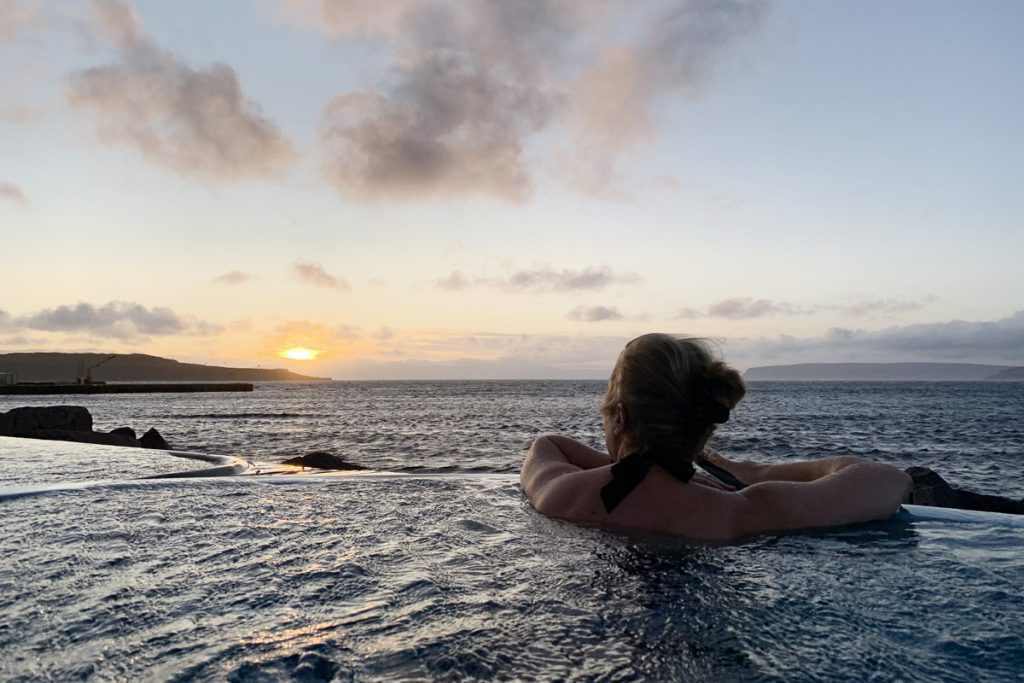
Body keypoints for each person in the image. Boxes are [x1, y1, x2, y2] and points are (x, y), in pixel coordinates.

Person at [520, 333, 914, 541]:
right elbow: (888, 480)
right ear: (702, 424)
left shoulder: (560, 493)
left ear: (620, 417)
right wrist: (755, 473)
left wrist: (624, 467)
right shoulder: (742, 511)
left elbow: (547, 445)